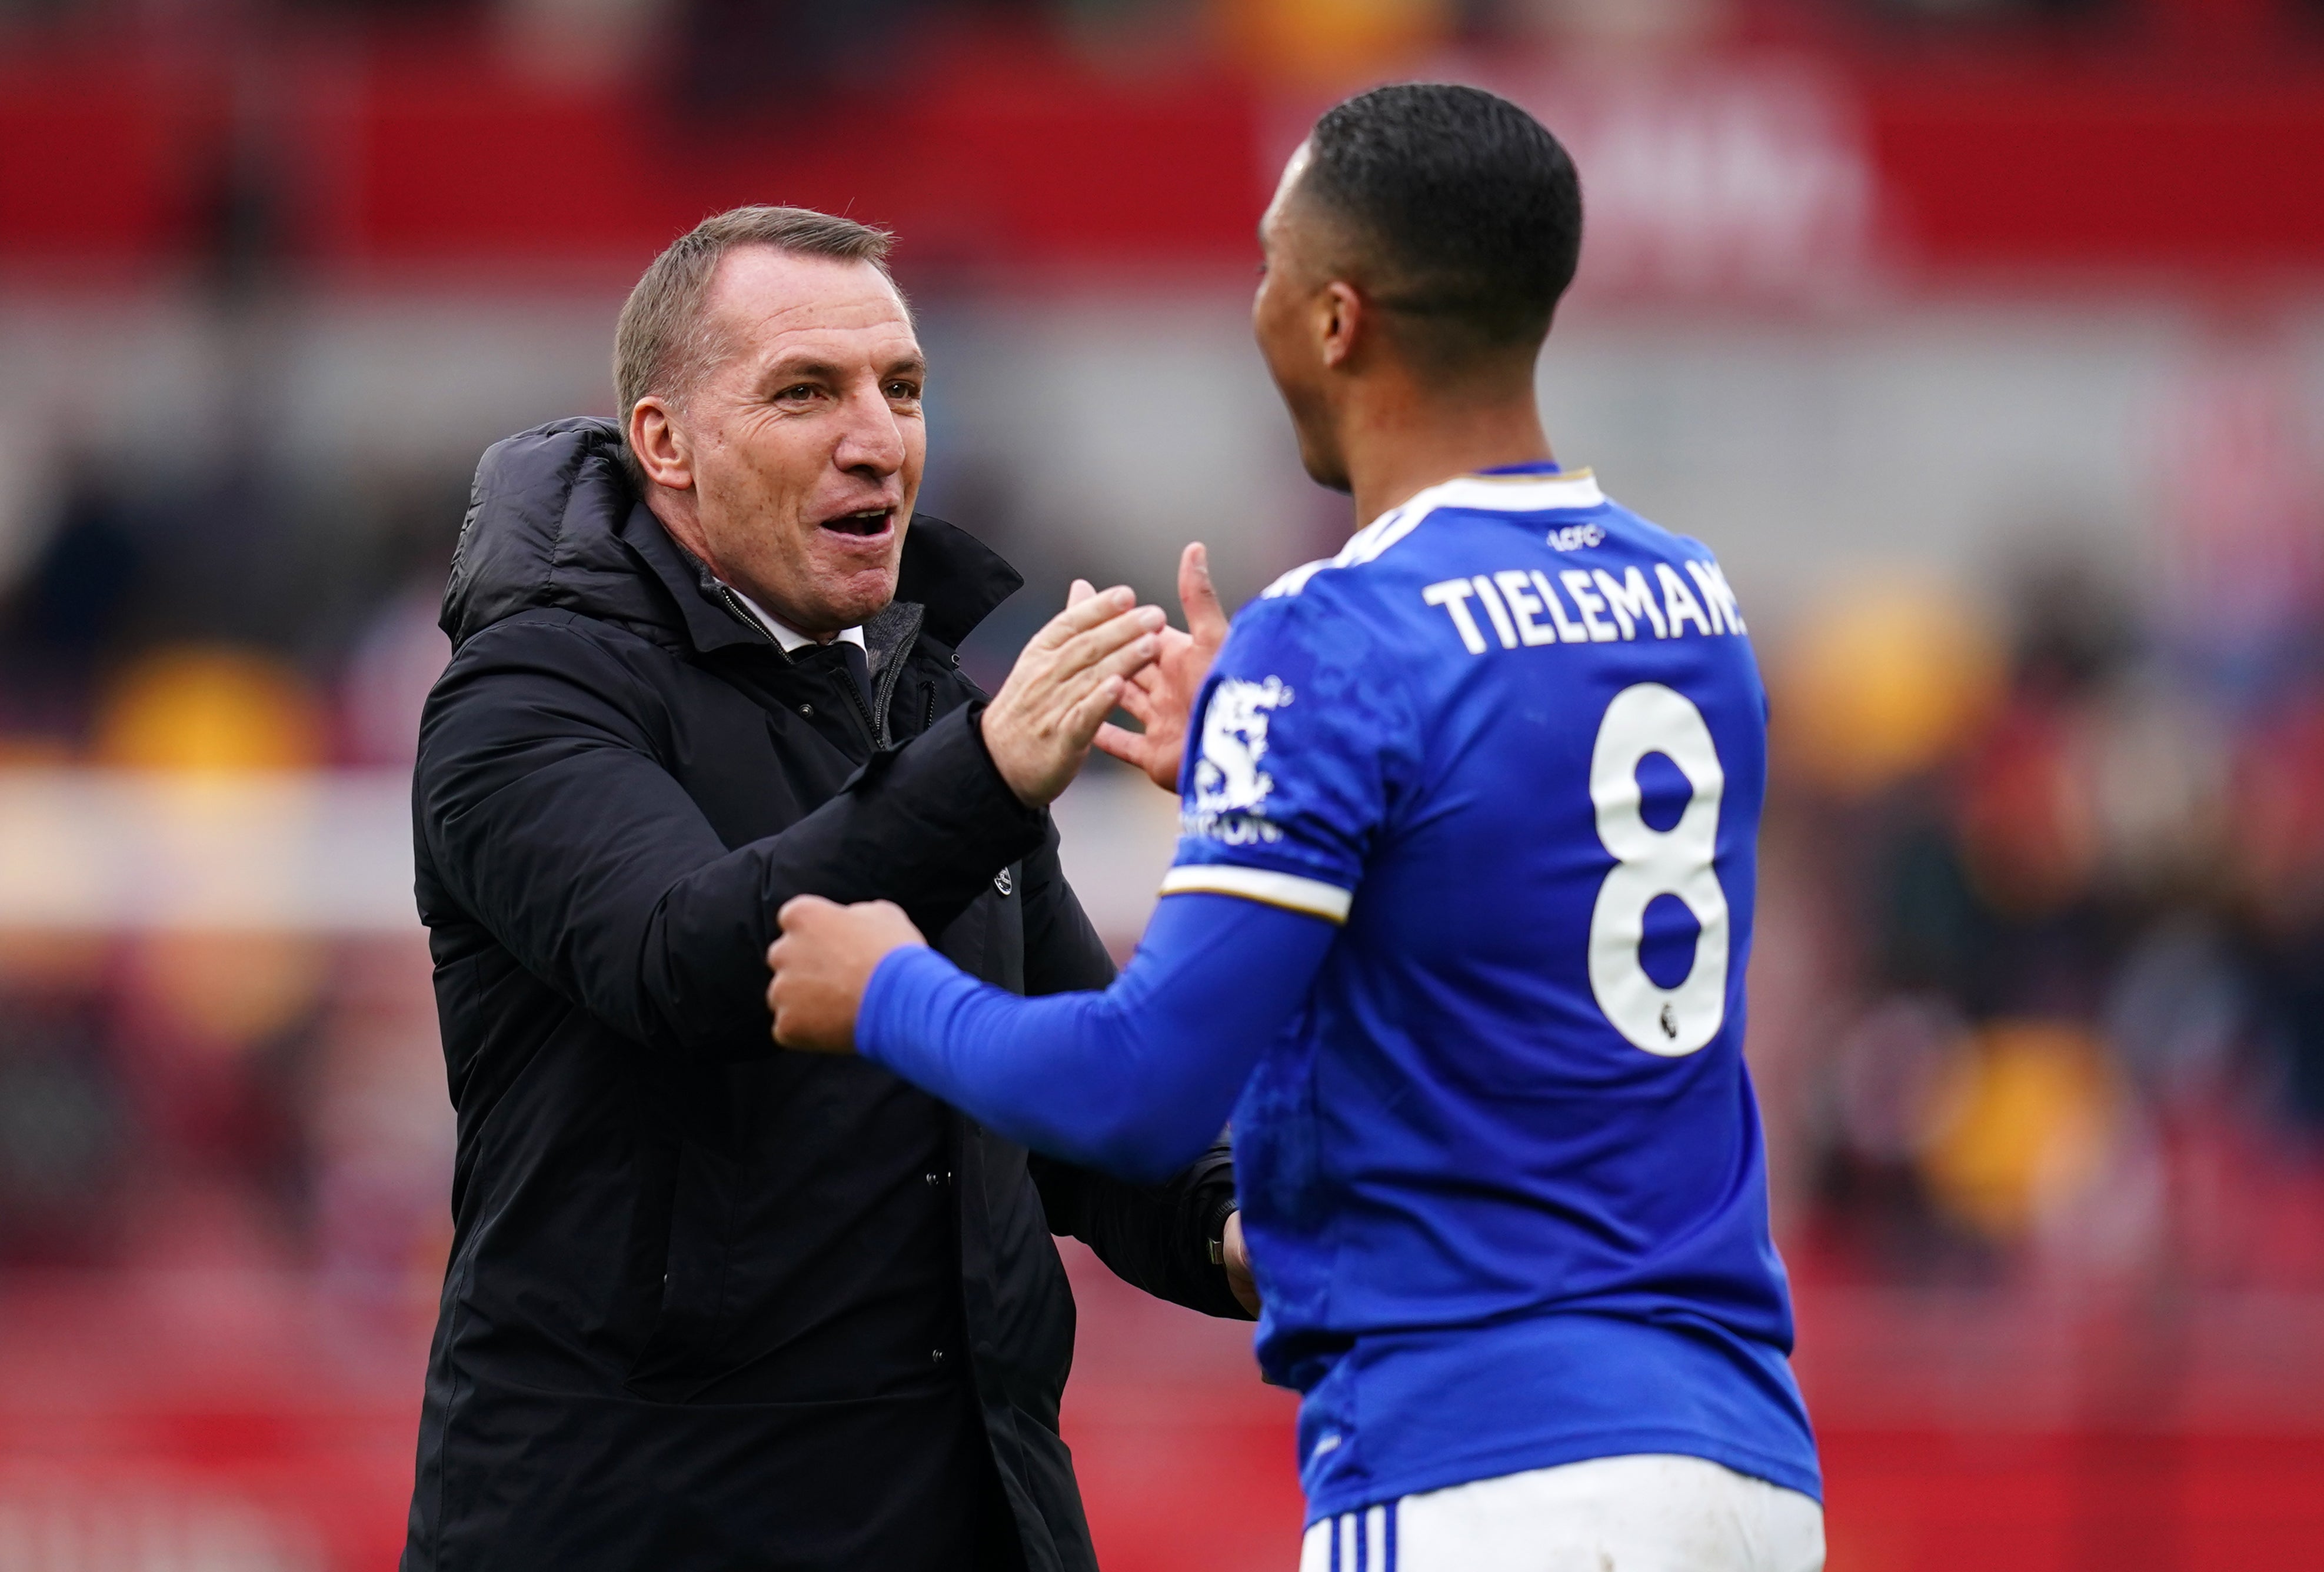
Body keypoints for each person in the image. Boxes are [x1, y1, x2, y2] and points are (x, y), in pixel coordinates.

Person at [765, 86, 1825, 1571]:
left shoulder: (1331, 634)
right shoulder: (1691, 600)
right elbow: (1507, 922)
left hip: (1479, 1467)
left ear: (1334, 320)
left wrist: (885, 987)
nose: (1250, 305)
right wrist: (1247, 788)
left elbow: (1138, 1086)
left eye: (1267, 268)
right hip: (1744, 1464)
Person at [404, 205, 1256, 1572]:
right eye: (807, 391)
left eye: (901, 389)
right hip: (639, 1530)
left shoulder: (915, 698)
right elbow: (691, 958)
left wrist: (1236, 1226)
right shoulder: (527, 695)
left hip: (969, 1515)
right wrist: (980, 770)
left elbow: (1076, 1104)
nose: (878, 436)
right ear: (665, 444)